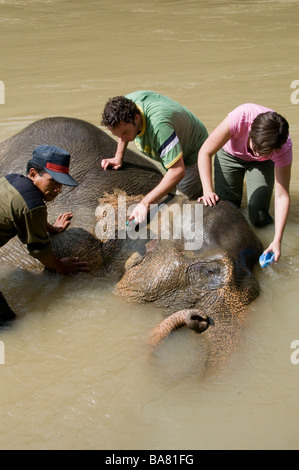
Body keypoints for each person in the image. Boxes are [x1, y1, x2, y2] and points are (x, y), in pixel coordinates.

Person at [0, 145, 89, 327]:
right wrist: (61, 267)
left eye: (60, 184)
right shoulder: (33, 205)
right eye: (53, 182)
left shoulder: (11, 180)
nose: (57, 189)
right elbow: (39, 250)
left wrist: (50, 228)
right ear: (33, 174)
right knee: (8, 325)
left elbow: (20, 212)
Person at [197, 103, 292, 262]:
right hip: (230, 155)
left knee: (258, 215)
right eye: (256, 148)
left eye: (264, 152)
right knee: (227, 206)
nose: (257, 153)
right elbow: (205, 152)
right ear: (250, 131)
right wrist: (207, 190)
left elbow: (282, 196)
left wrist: (277, 240)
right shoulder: (241, 117)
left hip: (262, 165)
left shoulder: (282, 147)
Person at [101, 90, 208, 224]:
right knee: (168, 190)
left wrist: (145, 203)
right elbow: (122, 132)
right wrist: (118, 157)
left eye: (125, 133)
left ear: (136, 117)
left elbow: (178, 170)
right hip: (172, 138)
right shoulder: (123, 108)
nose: (122, 139)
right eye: (117, 136)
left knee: (182, 207)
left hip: (193, 151)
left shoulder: (159, 128)